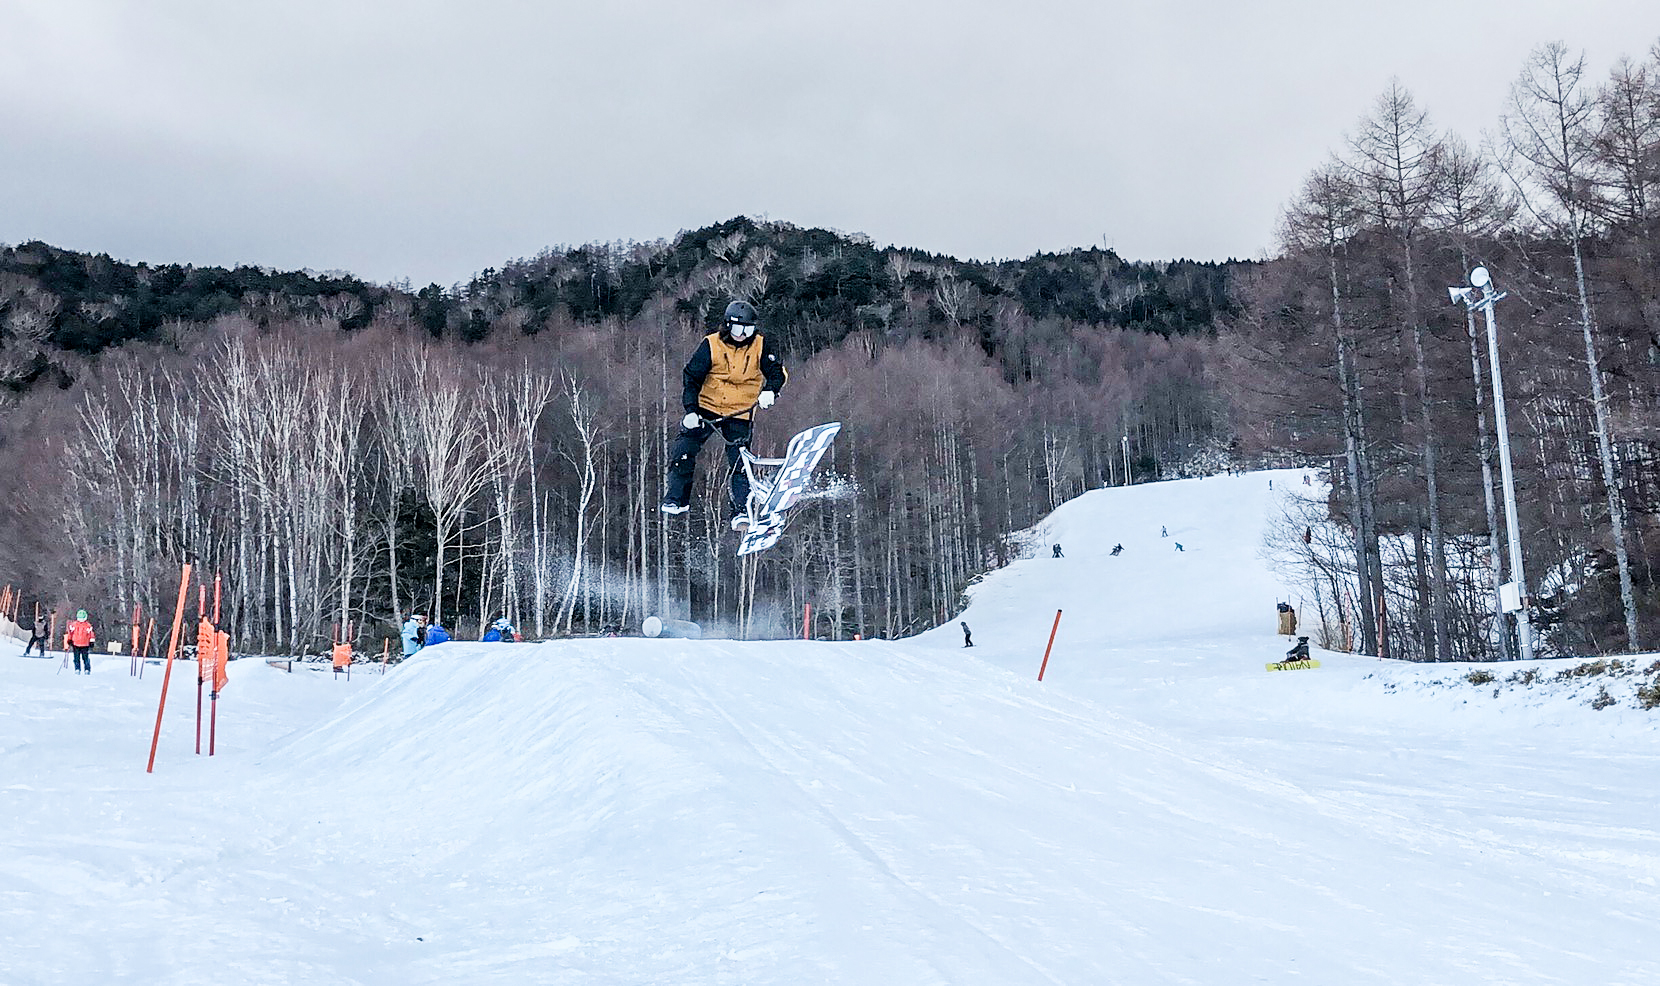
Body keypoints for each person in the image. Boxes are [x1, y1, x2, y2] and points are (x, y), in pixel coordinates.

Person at [661, 299, 789, 531]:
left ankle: (740, 512)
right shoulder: (711, 345)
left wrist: (770, 391)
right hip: (707, 408)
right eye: (738, 329)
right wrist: (690, 410)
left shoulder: (760, 345)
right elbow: (691, 377)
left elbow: (777, 373)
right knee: (684, 450)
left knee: (740, 461)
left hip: (740, 412)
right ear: (728, 326)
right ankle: (676, 499)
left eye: (748, 329)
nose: (742, 335)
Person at [64, 609, 95, 674]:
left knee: (84, 657)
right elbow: (71, 633)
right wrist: (69, 639)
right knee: (77, 657)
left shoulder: (87, 625)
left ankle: (86, 669)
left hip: (84, 644)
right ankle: (78, 668)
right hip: (76, 643)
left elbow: (91, 634)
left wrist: (91, 641)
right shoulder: (74, 625)